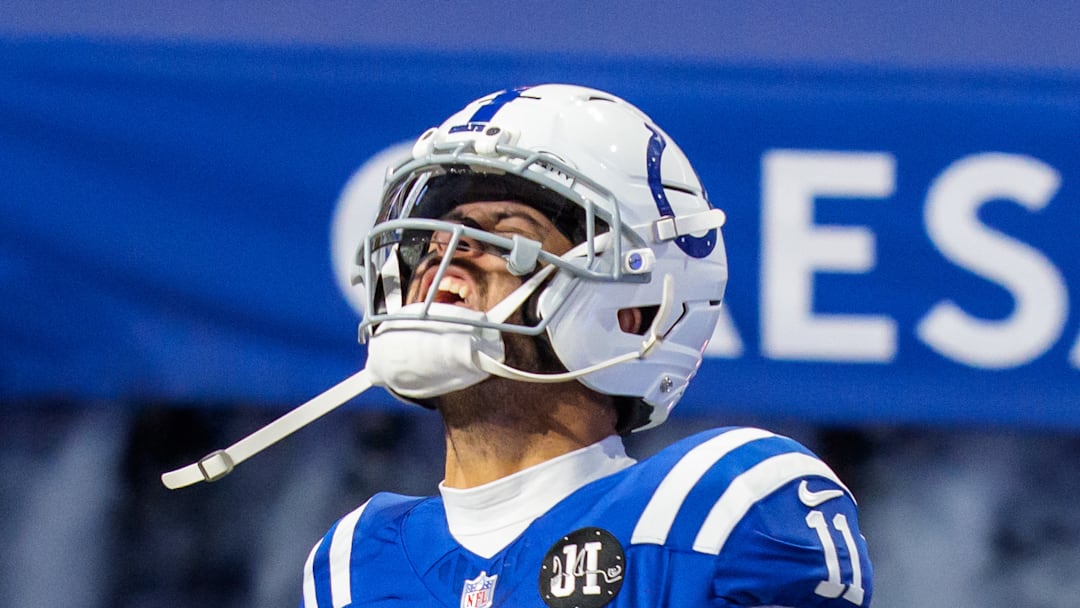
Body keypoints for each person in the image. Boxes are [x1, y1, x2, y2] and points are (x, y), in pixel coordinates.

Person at [302, 84, 872, 607]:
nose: (447, 254)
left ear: (633, 310)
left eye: (508, 234)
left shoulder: (716, 513)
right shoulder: (354, 561)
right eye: (437, 234)